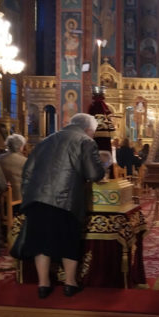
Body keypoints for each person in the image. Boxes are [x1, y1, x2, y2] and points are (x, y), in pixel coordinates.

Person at [21, 113, 105, 298]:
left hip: (37, 199)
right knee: (68, 241)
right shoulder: (86, 141)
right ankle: (70, 283)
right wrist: (103, 166)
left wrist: (28, 198)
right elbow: (94, 174)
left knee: (41, 242)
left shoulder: (45, 141)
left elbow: (27, 171)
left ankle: (43, 284)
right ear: (88, 129)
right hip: (65, 200)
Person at [0, 134, 27, 203]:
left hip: (3, 196)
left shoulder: (0, 158)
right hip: (19, 197)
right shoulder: (24, 160)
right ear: (21, 147)